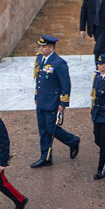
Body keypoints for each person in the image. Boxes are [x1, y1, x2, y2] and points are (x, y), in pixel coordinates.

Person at [30, 35, 79, 168]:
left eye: (43, 46)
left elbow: (66, 85)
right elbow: (39, 79)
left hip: (52, 101)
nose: (40, 48)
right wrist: (36, 96)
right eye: (40, 46)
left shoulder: (59, 63)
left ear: (51, 48)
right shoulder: (40, 58)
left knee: (51, 128)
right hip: (41, 100)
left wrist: (63, 104)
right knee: (43, 130)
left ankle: (73, 141)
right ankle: (45, 157)